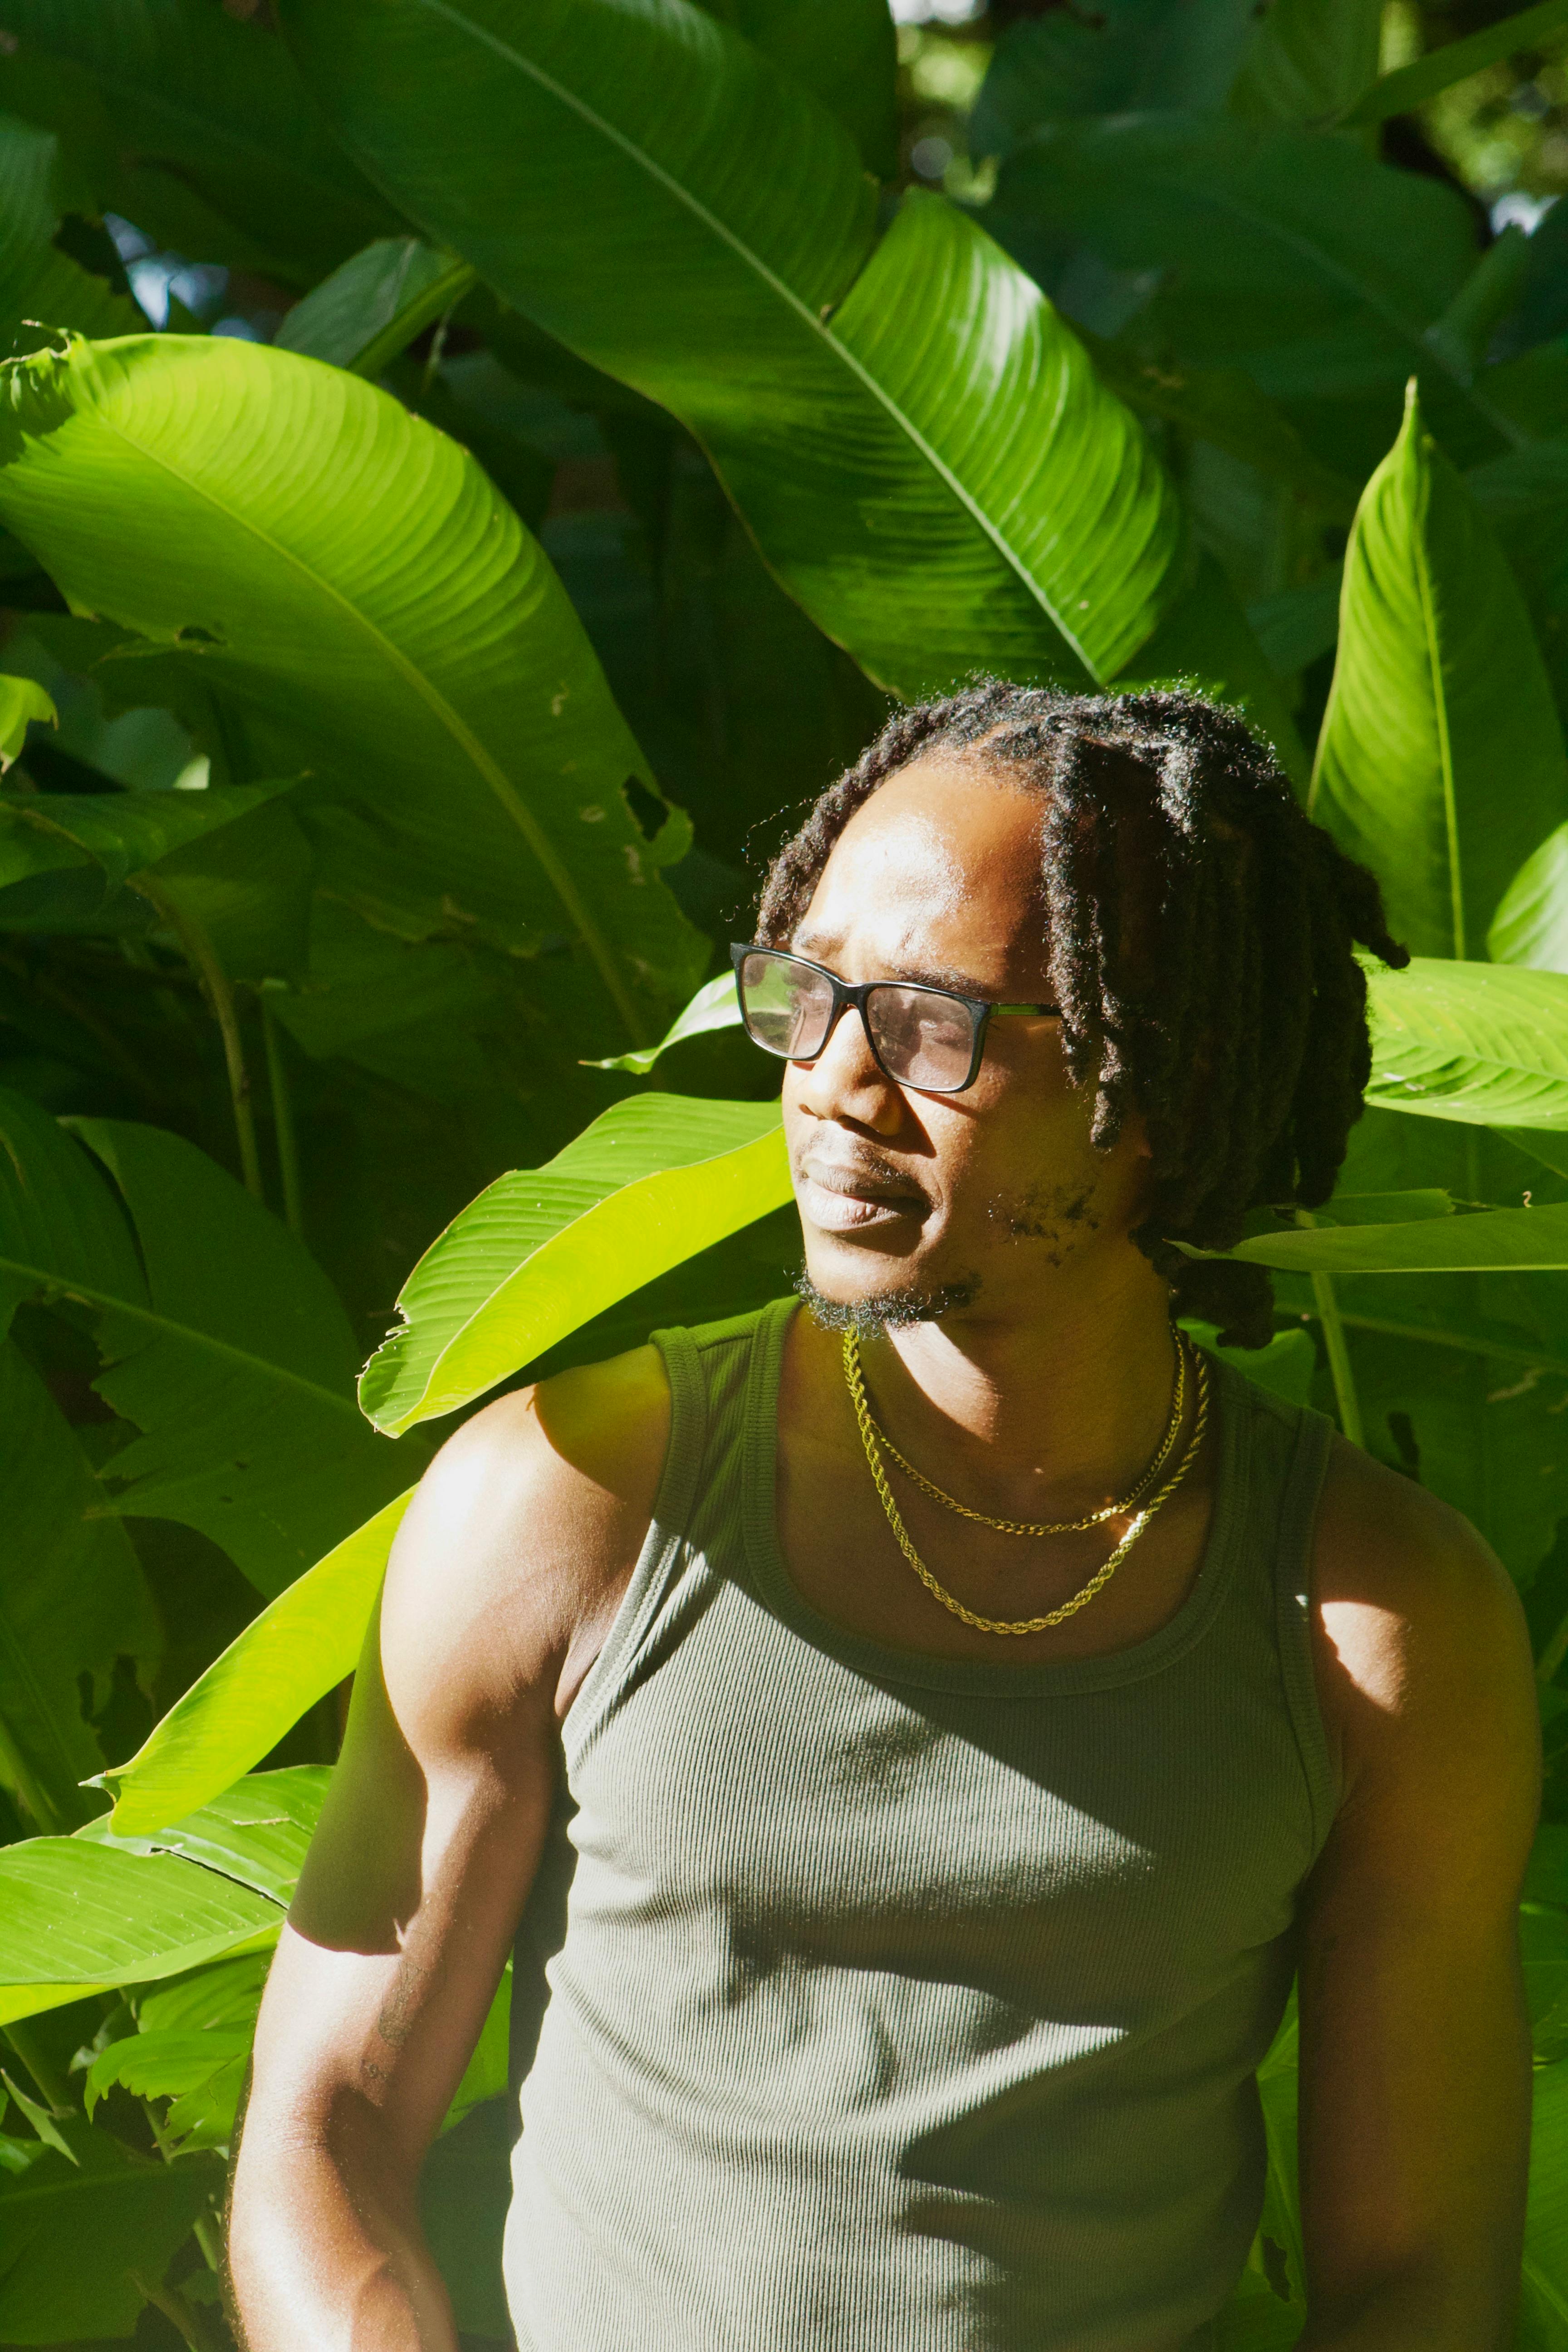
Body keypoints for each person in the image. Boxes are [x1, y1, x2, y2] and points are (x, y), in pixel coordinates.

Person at [229, 683, 1539, 2352]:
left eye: (931, 1023)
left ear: (1167, 1075)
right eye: (810, 991)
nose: (834, 1082)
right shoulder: (572, 1509)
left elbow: (1416, 2273)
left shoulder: (1377, 1624)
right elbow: (325, 2130)